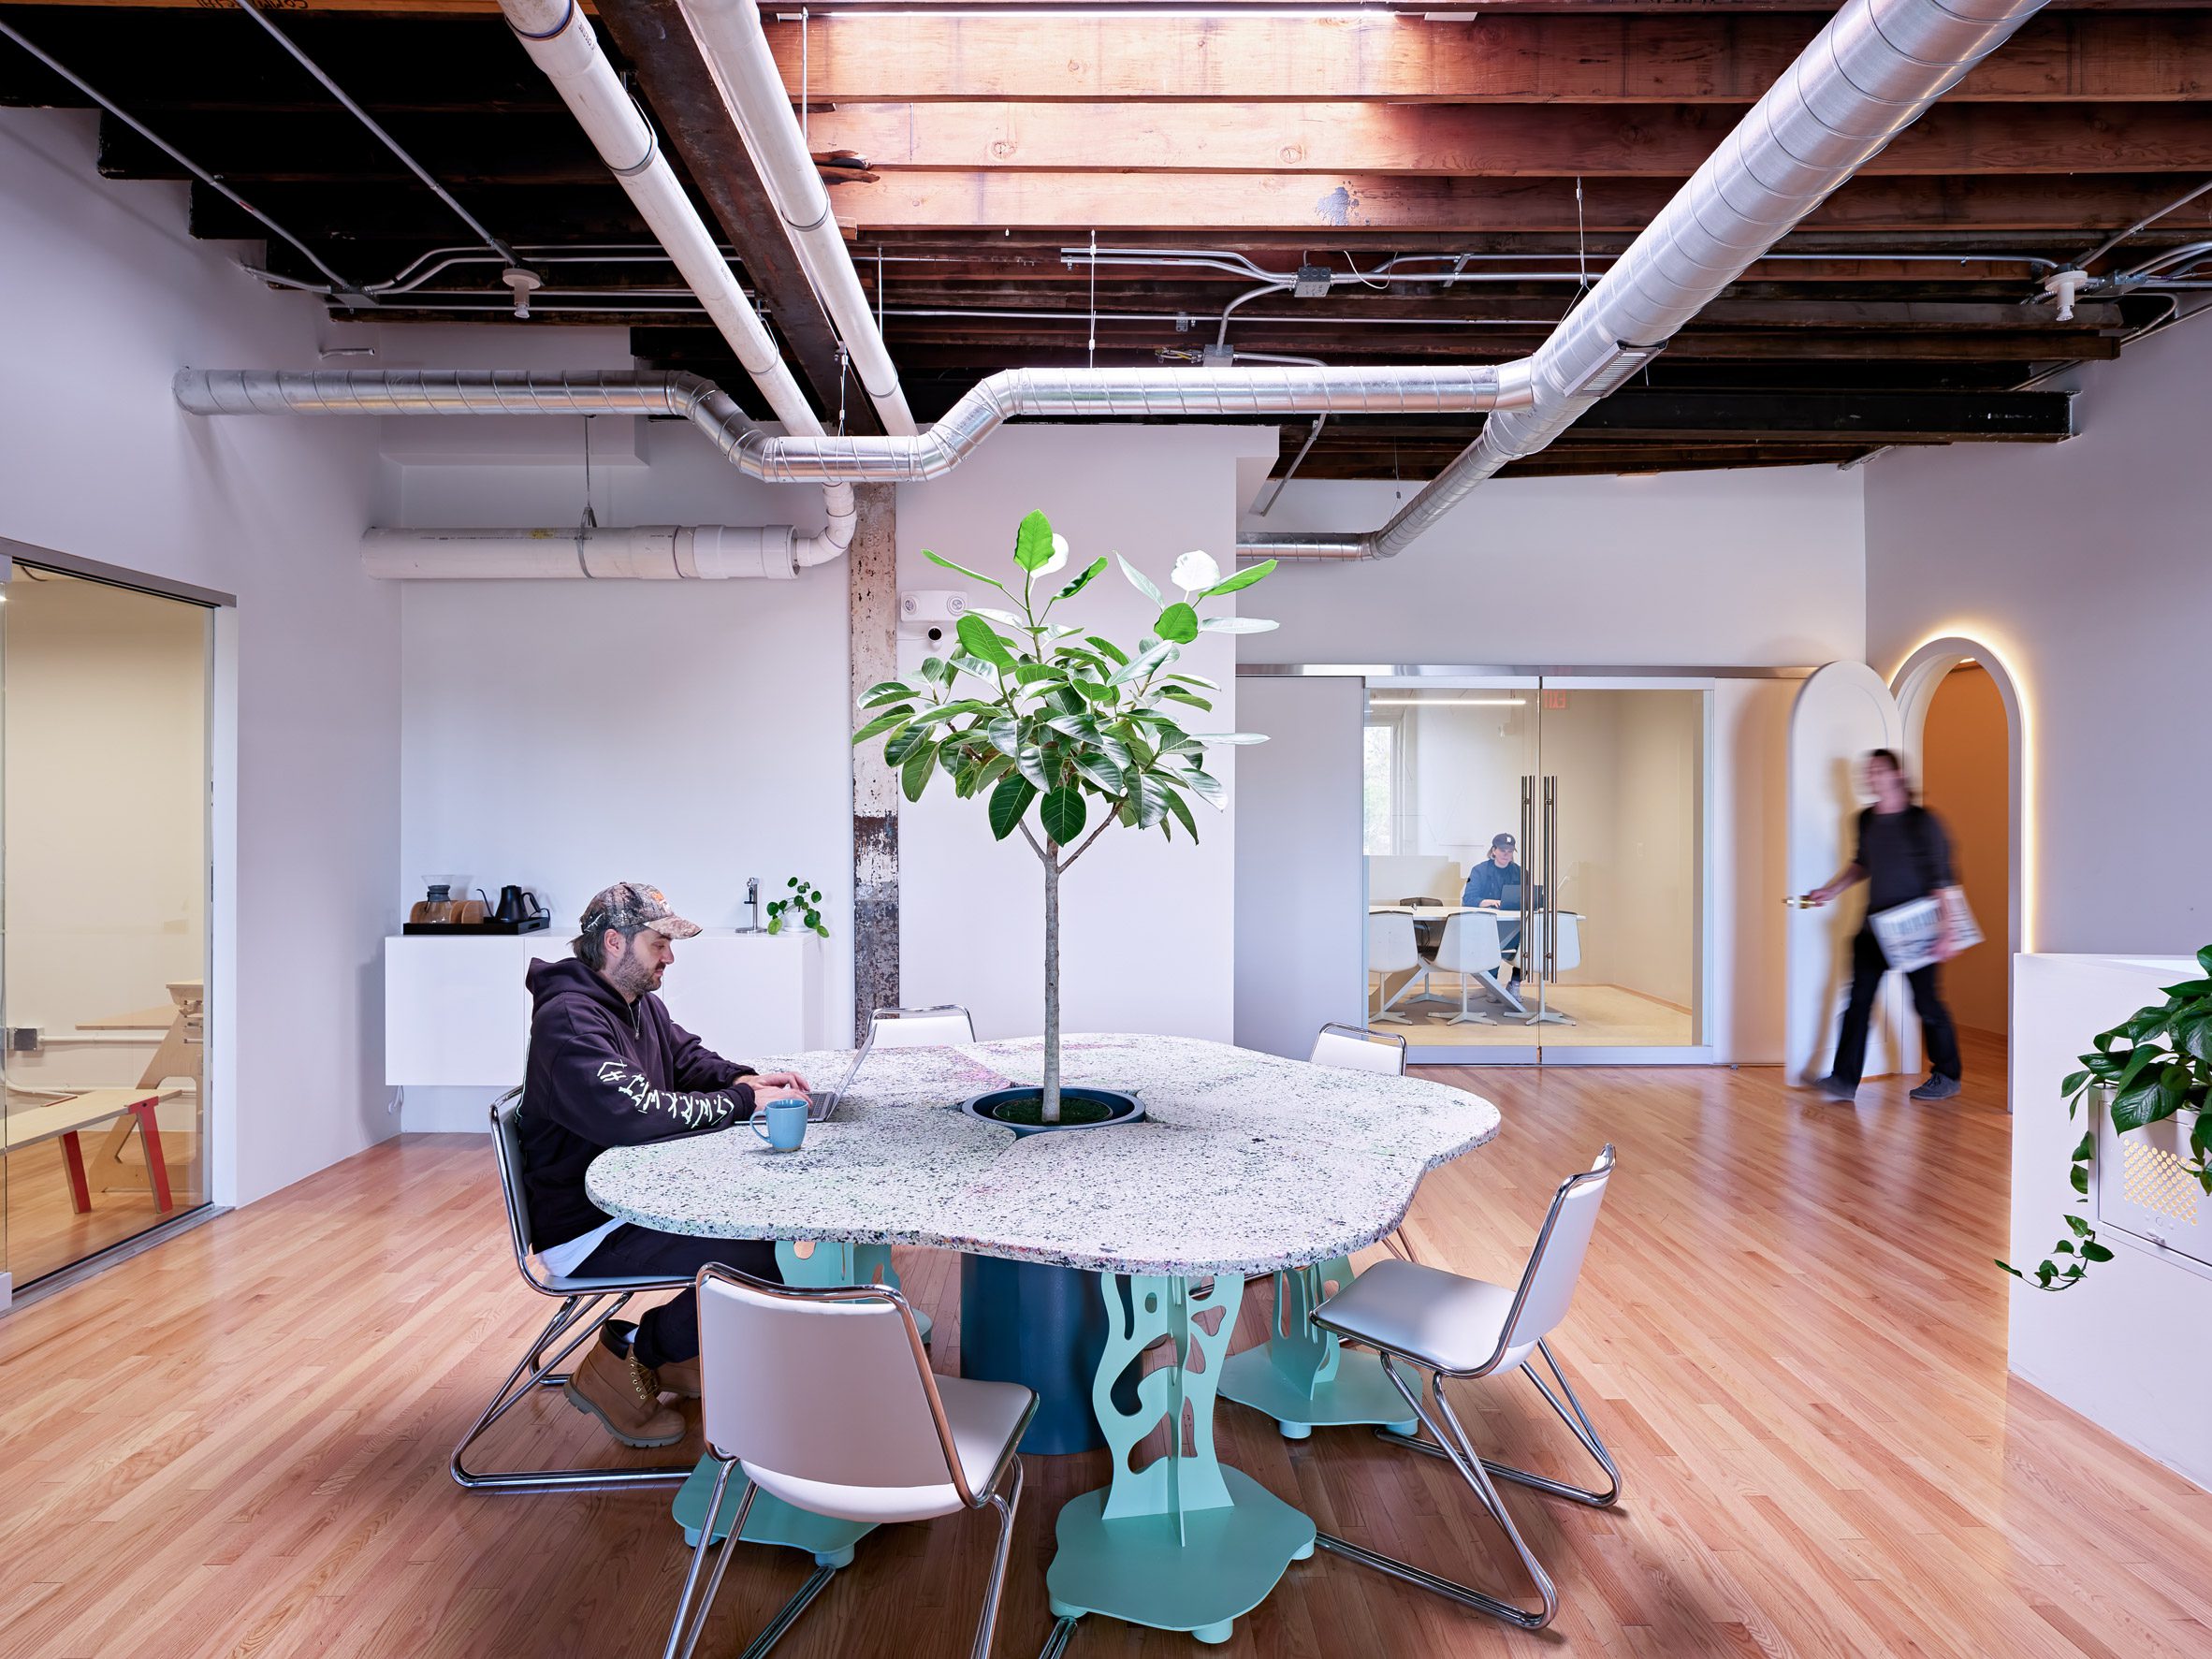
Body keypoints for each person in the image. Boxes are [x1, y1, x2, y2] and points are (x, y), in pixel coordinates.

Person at [517, 882, 811, 1448]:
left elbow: (685, 1059)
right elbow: (637, 1113)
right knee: (752, 1252)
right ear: (613, 943)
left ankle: (672, 1357)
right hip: (588, 1223)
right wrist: (743, 1104)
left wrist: (743, 1078)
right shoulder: (569, 1024)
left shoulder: (636, 1004)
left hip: (626, 1198)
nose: (670, 957)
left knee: (760, 1227)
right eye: (659, 945)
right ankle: (630, 1355)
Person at [1798, 749, 1966, 1103]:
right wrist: (1831, 890)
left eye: (1877, 770)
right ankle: (1844, 1079)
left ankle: (1947, 1074)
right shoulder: (1865, 820)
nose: (1870, 777)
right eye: (1867, 771)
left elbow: (1942, 878)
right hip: (1873, 929)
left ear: (1897, 776)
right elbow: (1862, 864)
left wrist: (1948, 931)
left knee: (1926, 1004)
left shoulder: (1922, 822)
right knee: (1857, 1002)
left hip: (1916, 929)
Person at [1461, 831, 1526, 984]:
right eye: (1503, 850)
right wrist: (1489, 901)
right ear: (1494, 850)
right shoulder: (1479, 871)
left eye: (1510, 851)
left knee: (1530, 942)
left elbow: (1531, 899)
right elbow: (1468, 899)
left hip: (1515, 927)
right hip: (1486, 927)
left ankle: (1515, 984)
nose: (1506, 854)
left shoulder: (1521, 872)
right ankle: (1492, 985)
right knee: (1492, 947)